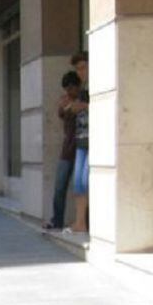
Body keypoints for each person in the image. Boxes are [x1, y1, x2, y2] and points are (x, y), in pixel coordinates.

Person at [44, 71, 82, 230]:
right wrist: (66, 106)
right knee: (60, 186)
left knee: (81, 187)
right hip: (67, 149)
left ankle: (84, 221)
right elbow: (62, 112)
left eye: (71, 89)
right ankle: (57, 220)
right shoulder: (66, 101)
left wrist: (74, 106)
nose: (68, 92)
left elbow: (75, 109)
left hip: (82, 148)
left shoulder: (83, 99)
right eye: (66, 89)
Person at [66, 51, 90, 233]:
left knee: (86, 181)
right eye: (78, 69)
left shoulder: (99, 84)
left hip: (92, 140)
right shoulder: (83, 88)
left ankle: (86, 222)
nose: (80, 72)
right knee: (79, 183)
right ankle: (79, 222)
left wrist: (84, 107)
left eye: (83, 67)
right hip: (81, 140)